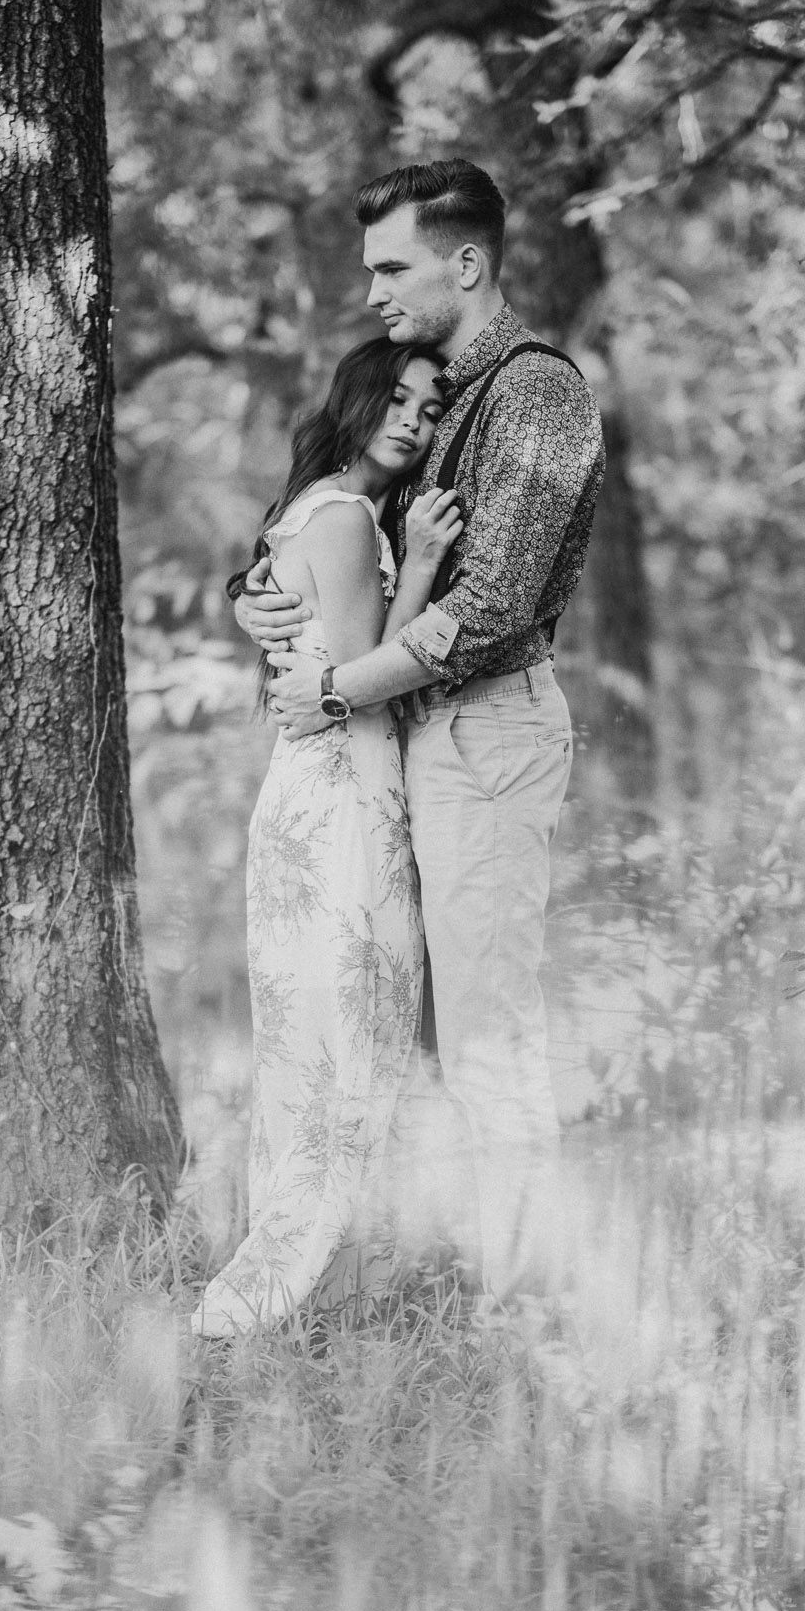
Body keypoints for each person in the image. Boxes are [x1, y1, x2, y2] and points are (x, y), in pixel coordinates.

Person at [235, 159, 605, 1301]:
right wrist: (258, 595)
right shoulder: (441, 393)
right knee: (417, 1033)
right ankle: (450, 1275)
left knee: (489, 1036)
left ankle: (526, 1309)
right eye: (369, 271)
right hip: (411, 742)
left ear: (466, 262)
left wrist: (341, 690)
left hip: (483, 735)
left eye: (392, 267)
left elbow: (489, 609)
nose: (376, 291)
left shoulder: (535, 393)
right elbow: (345, 535)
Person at [191, 338, 464, 1337]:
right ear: (354, 399)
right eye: (395, 397)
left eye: (429, 409)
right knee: (351, 1054)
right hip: (344, 805)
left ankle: (323, 1294)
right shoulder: (347, 518)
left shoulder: (313, 510)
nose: (411, 419)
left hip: (307, 802)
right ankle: (278, 1294)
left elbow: (303, 626)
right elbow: (362, 675)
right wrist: (427, 560)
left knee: (317, 1057)